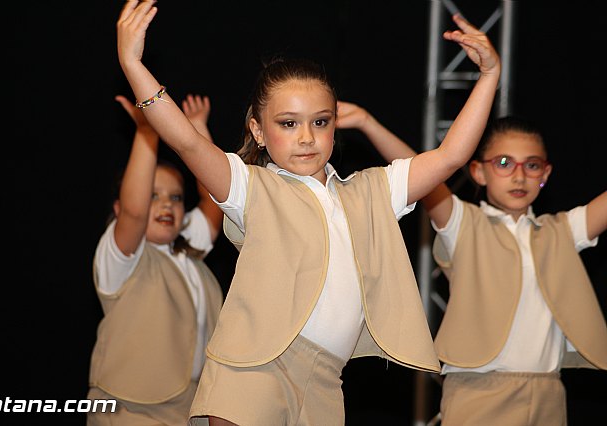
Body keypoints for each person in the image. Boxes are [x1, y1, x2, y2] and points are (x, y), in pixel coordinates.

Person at [116, 1, 500, 424]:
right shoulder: (251, 186)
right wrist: (133, 64)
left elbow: (449, 158)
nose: (306, 137)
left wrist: (488, 75)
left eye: (320, 122)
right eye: (288, 123)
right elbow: (188, 143)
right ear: (258, 132)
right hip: (254, 368)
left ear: (336, 126)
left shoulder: (372, 191)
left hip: (326, 380)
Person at [335, 103, 607, 425]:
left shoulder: (561, 231)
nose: (519, 175)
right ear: (479, 171)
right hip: (478, 391)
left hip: (547, 391)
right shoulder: (465, 223)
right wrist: (368, 122)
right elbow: (420, 173)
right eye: (504, 163)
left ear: (545, 174)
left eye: (532, 165)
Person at [87, 92, 224, 426]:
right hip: (130, 408)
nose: (166, 205)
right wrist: (147, 132)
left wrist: (197, 133)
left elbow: (215, 201)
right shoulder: (122, 259)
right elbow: (134, 214)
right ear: (119, 210)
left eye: (175, 197)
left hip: (191, 407)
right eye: (153, 196)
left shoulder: (187, 251)